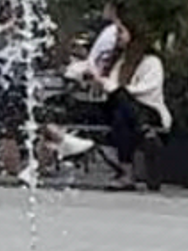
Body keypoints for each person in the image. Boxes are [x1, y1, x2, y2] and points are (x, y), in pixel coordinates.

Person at [68, 14, 172, 185]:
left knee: (122, 111)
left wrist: (109, 85)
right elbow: (82, 69)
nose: (117, 37)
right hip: (124, 113)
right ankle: (145, 133)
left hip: (149, 111)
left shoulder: (151, 62)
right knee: (115, 109)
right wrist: (86, 76)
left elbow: (146, 91)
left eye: (121, 32)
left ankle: (127, 173)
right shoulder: (116, 60)